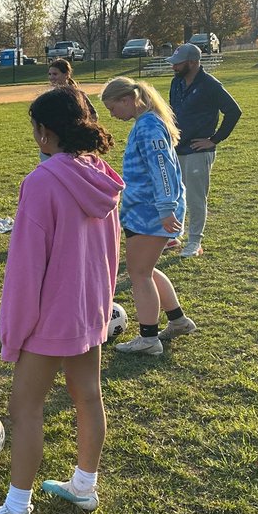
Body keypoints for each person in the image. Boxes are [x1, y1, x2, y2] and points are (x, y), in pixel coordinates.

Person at [0, 86, 123, 514]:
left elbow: (25, 267)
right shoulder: (102, 174)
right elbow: (111, 252)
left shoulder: (42, 181)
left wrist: (13, 330)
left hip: (52, 318)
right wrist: (101, 303)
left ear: (44, 132)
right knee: (88, 396)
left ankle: (17, 510)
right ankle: (84, 485)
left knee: (25, 408)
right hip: (90, 309)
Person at [100, 77, 198, 356]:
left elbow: (163, 168)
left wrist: (166, 209)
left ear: (127, 100)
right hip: (145, 210)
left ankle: (148, 338)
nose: (112, 114)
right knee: (147, 270)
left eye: (112, 107)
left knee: (139, 274)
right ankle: (178, 321)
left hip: (150, 212)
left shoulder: (149, 126)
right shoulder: (146, 123)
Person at [167, 43, 242, 257]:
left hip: (198, 151)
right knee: (175, 195)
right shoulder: (176, 83)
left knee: (195, 198)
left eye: (177, 64)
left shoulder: (210, 85)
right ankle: (174, 237)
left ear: (192, 62)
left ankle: (194, 242)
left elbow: (234, 112)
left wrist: (214, 139)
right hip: (177, 148)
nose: (174, 68)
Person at [41, 58, 98, 161]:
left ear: (67, 74)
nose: (51, 78)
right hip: (52, 144)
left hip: (70, 146)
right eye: (49, 74)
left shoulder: (77, 95)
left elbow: (94, 116)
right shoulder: (50, 96)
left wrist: (79, 132)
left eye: (55, 74)